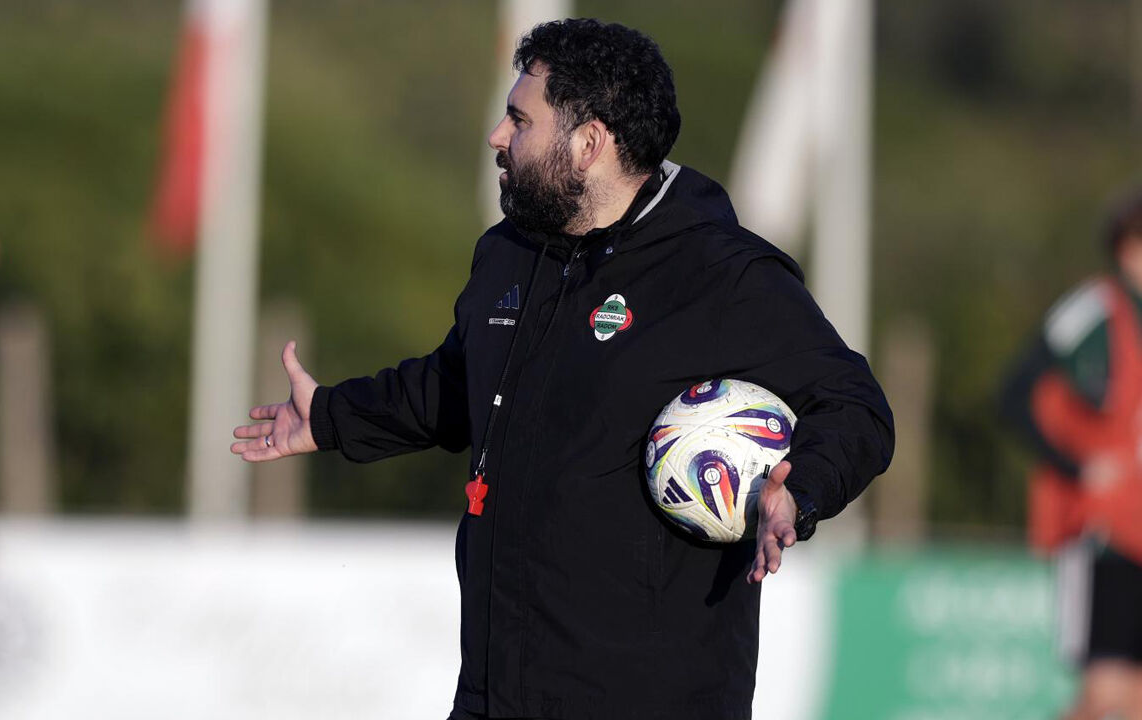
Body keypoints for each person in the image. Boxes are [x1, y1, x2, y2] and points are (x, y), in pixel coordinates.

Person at [232, 19, 893, 720]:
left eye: (520, 120)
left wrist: (801, 491)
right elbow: (458, 384)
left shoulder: (722, 276)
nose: (497, 136)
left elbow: (856, 406)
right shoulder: (509, 254)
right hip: (495, 695)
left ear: (589, 143)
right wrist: (331, 417)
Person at [1000, 189, 1142, 720]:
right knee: (1104, 694)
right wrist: (1076, 467)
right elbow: (1013, 395)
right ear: (1127, 248)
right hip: (1102, 534)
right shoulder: (1094, 309)